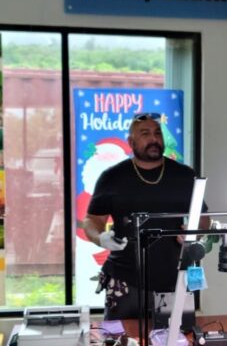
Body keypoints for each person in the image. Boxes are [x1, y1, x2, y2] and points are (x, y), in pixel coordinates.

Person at [83, 113, 204, 320]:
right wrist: (100, 237)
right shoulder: (112, 177)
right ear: (131, 142)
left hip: (175, 276)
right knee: (119, 345)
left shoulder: (183, 175)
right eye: (145, 134)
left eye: (157, 133)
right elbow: (92, 220)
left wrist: (195, 232)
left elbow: (203, 216)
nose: (154, 139)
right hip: (125, 279)